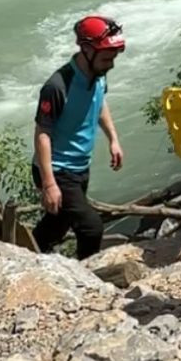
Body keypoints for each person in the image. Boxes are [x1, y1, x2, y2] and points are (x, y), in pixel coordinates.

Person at [31, 14, 126, 259]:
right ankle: (86, 277)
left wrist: (113, 139)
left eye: (113, 57)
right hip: (57, 168)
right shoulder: (57, 86)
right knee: (91, 227)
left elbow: (99, 101)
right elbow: (42, 133)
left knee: (58, 224)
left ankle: (26, 254)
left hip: (80, 166)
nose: (111, 64)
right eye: (107, 58)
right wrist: (49, 183)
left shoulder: (98, 74)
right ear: (86, 49)